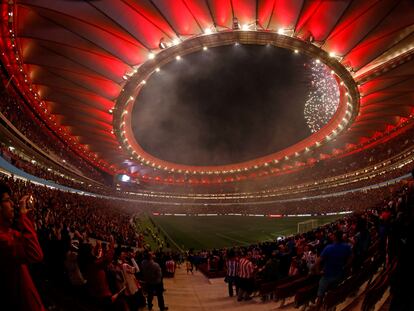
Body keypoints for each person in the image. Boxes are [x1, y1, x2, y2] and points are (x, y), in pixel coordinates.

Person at [0, 182, 45, 311]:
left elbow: (27, 239)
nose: (13, 204)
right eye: (8, 200)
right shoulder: (3, 240)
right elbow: (36, 255)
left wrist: (27, 216)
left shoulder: (9, 232)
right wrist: (23, 217)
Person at [314, 230, 352, 309]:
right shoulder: (347, 246)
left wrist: (317, 271)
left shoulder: (328, 248)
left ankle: (318, 305)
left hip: (327, 276)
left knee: (320, 295)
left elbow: (317, 262)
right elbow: (351, 258)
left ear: (335, 237)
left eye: (332, 235)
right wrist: (345, 266)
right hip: (339, 275)